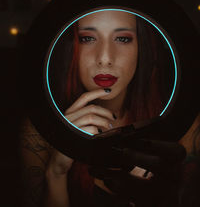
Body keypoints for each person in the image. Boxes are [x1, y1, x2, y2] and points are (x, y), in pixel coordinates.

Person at [19, 10, 199, 207]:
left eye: (122, 38)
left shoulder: (185, 127)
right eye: (87, 38)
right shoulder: (39, 131)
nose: (105, 58)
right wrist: (56, 173)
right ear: (71, 49)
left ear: (142, 47)